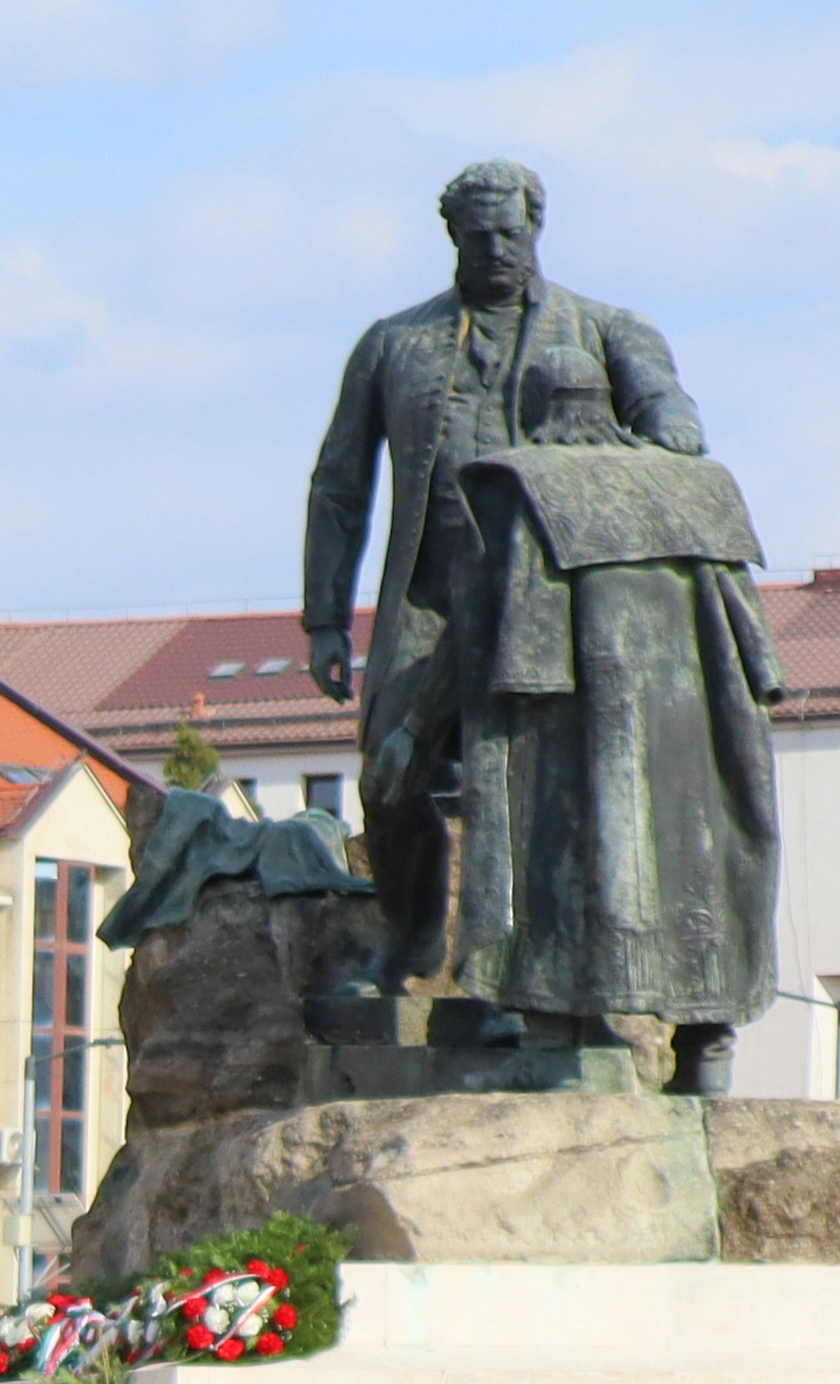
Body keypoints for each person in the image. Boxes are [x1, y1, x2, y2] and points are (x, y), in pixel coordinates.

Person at [299, 158, 777, 1085]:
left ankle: (516, 980)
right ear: (455, 238)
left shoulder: (604, 331)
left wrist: (650, 429)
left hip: (552, 599)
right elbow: (340, 483)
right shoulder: (394, 344)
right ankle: (411, 945)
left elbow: (671, 420)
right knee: (389, 773)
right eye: (481, 235)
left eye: (512, 232)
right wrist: (326, 619)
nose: (499, 248)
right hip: (432, 595)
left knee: (525, 788)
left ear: (537, 229)